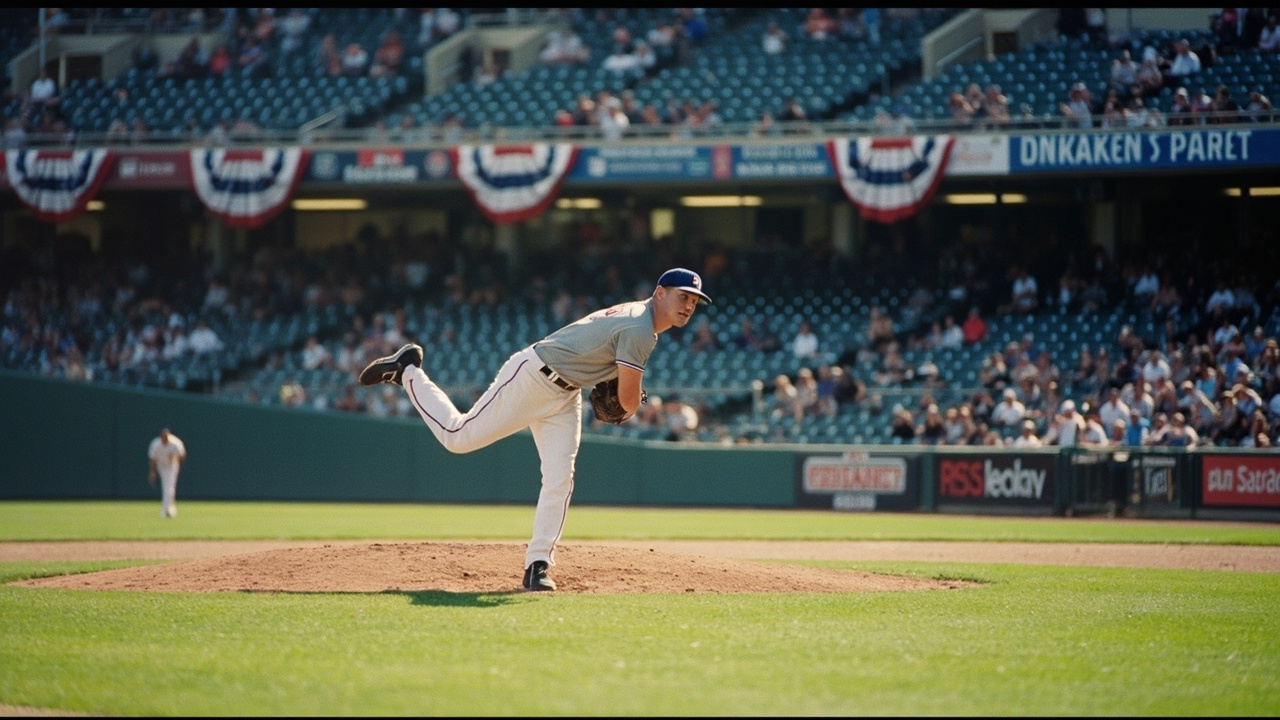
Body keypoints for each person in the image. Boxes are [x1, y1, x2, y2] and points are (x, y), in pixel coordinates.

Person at [357, 268, 712, 592]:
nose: (688, 306)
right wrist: (628, 405)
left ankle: (537, 564)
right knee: (458, 437)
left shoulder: (638, 318)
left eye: (694, 301)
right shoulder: (640, 329)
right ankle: (407, 371)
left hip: (565, 392)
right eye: (683, 296)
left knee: (559, 476)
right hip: (532, 376)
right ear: (660, 293)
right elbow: (629, 402)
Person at [148, 428, 187, 518]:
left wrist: (179, 464)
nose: (165, 438)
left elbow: (182, 455)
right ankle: (169, 509)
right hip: (161, 465)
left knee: (169, 487)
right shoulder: (156, 444)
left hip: (172, 466)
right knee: (166, 487)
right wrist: (152, 472)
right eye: (163, 437)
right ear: (161, 437)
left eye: (166, 437)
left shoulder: (175, 443)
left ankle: (167, 510)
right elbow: (152, 459)